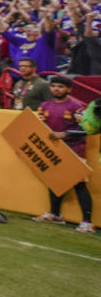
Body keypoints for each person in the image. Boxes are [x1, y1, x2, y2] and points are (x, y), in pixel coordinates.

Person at [32, 75, 94, 233]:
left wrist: (65, 134)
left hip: (74, 150)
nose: (56, 89)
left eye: (60, 87)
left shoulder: (77, 107)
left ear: (68, 89)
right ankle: (55, 214)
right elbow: (38, 126)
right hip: (53, 150)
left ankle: (87, 222)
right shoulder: (44, 106)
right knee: (54, 181)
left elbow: (87, 129)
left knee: (79, 184)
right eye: (53, 86)